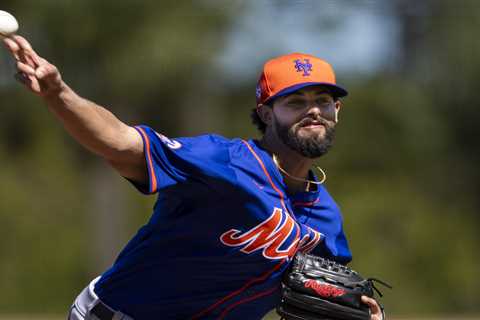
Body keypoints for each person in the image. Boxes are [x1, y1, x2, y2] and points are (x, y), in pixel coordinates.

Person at [2, 35, 384, 320]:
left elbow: (328, 295)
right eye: (295, 102)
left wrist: (360, 312)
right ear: (266, 114)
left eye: (323, 101)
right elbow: (120, 143)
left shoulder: (325, 218)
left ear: (337, 110)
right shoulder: (224, 162)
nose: (312, 111)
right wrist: (58, 94)